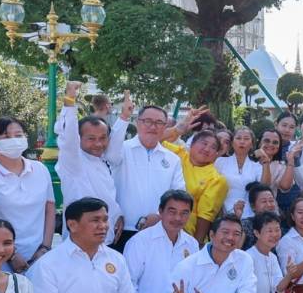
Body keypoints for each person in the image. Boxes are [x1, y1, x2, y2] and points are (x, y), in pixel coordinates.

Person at [54, 82, 130, 241]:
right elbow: (68, 138)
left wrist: (118, 215)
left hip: (107, 238)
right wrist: (69, 101)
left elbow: (106, 195)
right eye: (91, 139)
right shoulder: (73, 162)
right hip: (80, 241)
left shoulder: (103, 160)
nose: (98, 144)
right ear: (79, 139)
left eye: (103, 138)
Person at [0, 117, 55, 274]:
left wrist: (45, 248)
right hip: (1, 258)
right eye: (6, 137)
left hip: (40, 256)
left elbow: (50, 209)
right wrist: (11, 254)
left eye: (19, 135)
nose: (14, 140)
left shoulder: (40, 169)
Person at [115, 106, 184, 250]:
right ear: (137, 122)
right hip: (120, 230)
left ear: (165, 127)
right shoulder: (120, 150)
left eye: (159, 123)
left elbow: (178, 195)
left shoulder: (172, 159)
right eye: (147, 121)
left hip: (158, 231)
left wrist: (160, 216)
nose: (153, 127)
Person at [160, 117, 228, 245]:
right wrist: (175, 130)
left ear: (216, 154)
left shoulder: (217, 180)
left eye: (213, 147)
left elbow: (205, 217)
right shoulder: (178, 154)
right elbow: (152, 141)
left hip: (185, 235)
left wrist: (196, 246)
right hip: (157, 225)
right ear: (191, 145)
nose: (207, 149)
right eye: (204, 143)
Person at [217, 127, 265, 220]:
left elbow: (264, 187)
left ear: (252, 144)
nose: (242, 142)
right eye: (238, 138)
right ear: (232, 143)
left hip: (249, 215)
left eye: (246, 139)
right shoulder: (220, 161)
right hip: (223, 213)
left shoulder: (257, 166)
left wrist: (266, 164)